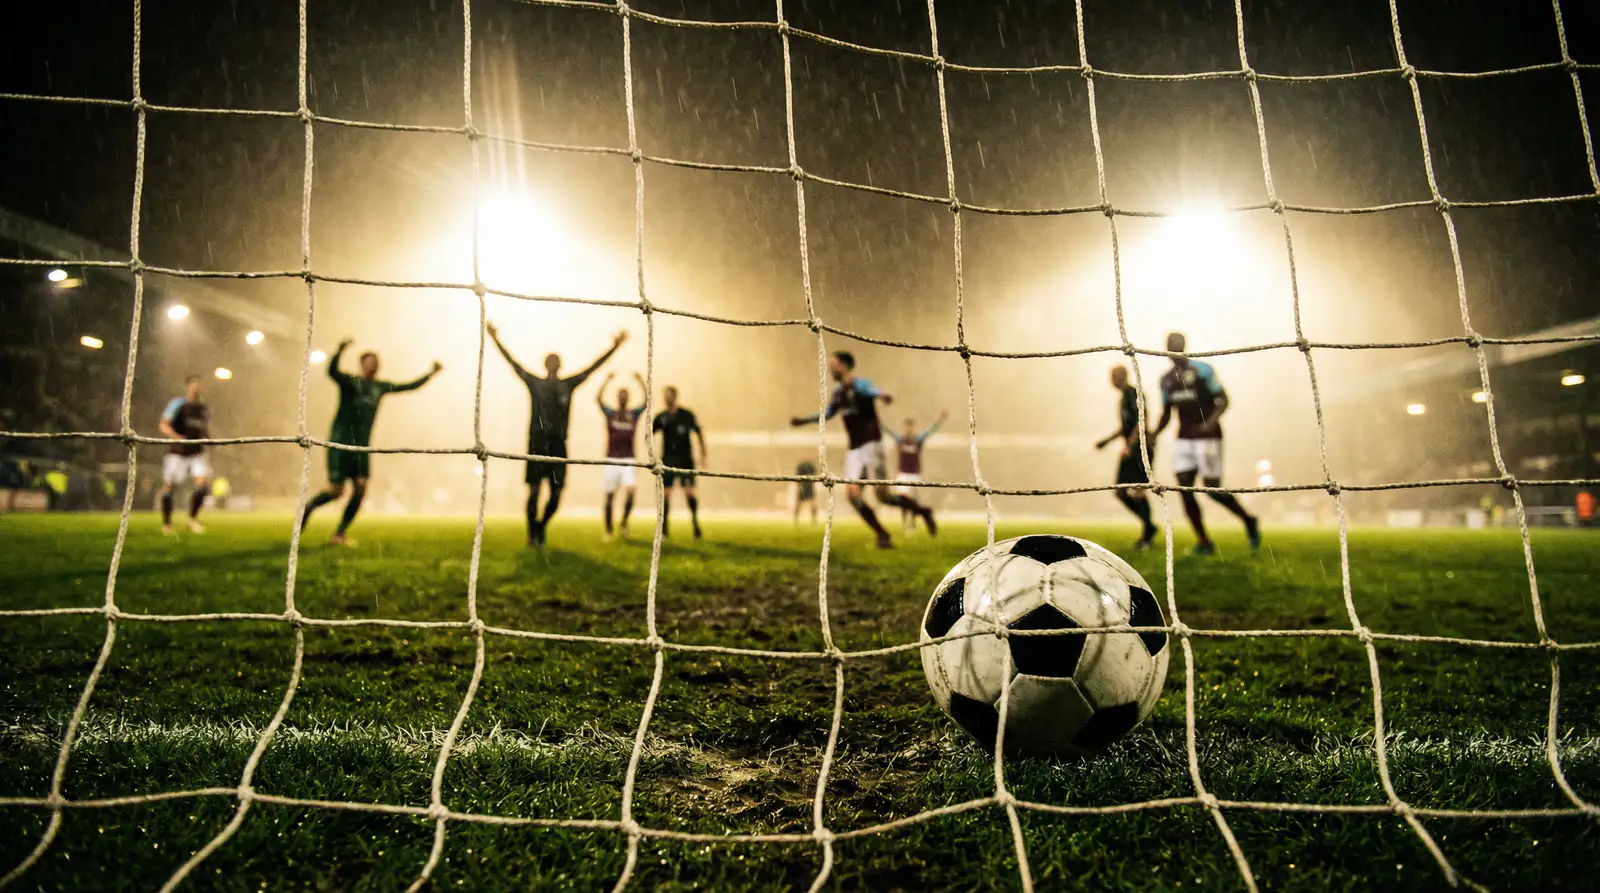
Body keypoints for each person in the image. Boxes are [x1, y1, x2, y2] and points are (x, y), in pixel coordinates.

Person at [490, 323, 626, 547]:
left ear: (560, 365)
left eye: (556, 361)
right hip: (537, 443)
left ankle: (541, 527)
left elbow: (593, 367)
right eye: (550, 361)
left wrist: (615, 346)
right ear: (545, 365)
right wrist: (496, 338)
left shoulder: (568, 385)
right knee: (534, 492)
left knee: (556, 494)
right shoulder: (535, 383)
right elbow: (513, 363)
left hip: (558, 445)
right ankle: (531, 534)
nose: (553, 364)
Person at [300, 340, 442, 546]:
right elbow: (332, 372)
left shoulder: (380, 387)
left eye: (376, 362)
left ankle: (339, 534)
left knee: (361, 488)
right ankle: (309, 507)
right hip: (340, 443)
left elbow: (409, 386)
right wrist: (339, 351)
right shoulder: (350, 382)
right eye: (370, 361)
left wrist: (431, 373)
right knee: (335, 491)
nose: (374, 365)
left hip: (362, 447)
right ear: (362, 363)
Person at [788, 350, 936, 549]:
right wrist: (803, 420)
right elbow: (828, 413)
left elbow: (871, 390)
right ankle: (883, 534)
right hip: (854, 450)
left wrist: (882, 395)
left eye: (834, 363)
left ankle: (923, 511)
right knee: (853, 496)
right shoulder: (839, 393)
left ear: (845, 365)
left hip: (872, 445)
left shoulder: (859, 384)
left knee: (883, 497)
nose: (830, 367)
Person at [1149, 332, 1261, 555]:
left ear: (1184, 346)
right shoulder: (1166, 380)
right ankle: (1204, 541)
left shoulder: (1202, 370)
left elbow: (1224, 399)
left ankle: (1248, 519)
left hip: (1208, 435)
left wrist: (1210, 422)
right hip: (1184, 438)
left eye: (1177, 344)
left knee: (1211, 488)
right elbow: (1166, 413)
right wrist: (1154, 433)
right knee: (1183, 486)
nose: (1173, 347)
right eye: (1170, 344)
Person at [1094, 365, 1158, 550]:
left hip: (1141, 449)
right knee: (1120, 491)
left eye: (1114, 376)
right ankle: (1149, 526)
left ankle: (1147, 533)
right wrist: (1106, 441)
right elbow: (1125, 427)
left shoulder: (1135, 394)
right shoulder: (1122, 399)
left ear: (1123, 376)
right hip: (1131, 448)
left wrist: (1131, 444)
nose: (1112, 380)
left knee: (1138, 490)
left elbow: (1142, 420)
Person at [158, 375, 212, 535]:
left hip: (197, 453)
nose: (196, 388)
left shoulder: (203, 408)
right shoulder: (178, 404)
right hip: (178, 452)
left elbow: (203, 429)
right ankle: (167, 524)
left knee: (203, 485)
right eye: (193, 385)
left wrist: (208, 439)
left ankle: (192, 520)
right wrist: (176, 437)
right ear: (188, 386)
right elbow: (163, 425)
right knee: (169, 487)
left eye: (199, 385)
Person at [598, 372, 647, 540]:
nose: (623, 398)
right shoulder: (611, 413)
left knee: (631, 491)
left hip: (628, 458)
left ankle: (624, 522)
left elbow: (646, 402)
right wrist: (606, 381)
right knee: (610, 495)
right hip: (612, 458)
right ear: (618, 398)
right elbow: (598, 399)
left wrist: (641, 382)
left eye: (625, 396)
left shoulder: (633, 414)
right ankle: (609, 530)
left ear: (628, 398)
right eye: (621, 395)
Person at [653, 385, 707, 539]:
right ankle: (664, 530)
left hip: (685, 460)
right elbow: (649, 435)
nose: (667, 398)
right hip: (668, 461)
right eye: (665, 396)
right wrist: (652, 456)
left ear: (675, 396)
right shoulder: (661, 417)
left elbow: (699, 432)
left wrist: (703, 454)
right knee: (666, 494)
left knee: (689, 492)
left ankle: (696, 525)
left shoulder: (686, 415)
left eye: (669, 395)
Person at [889, 410, 948, 533]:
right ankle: (905, 524)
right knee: (903, 500)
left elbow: (930, 431)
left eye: (911, 427)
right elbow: (886, 430)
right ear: (904, 428)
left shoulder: (918, 440)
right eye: (906, 427)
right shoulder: (900, 439)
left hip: (915, 474)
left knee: (914, 500)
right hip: (903, 474)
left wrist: (941, 420)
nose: (909, 430)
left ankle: (913, 524)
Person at [793, 458, 818, 525]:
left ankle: (813, 520)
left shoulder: (809, 466)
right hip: (804, 486)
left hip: (807, 486)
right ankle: (796, 520)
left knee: (812, 504)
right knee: (799, 504)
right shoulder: (803, 466)